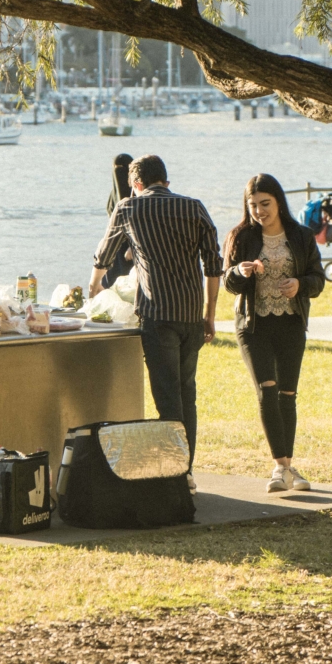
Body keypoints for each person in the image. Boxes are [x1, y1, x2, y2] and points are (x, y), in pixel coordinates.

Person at [91, 154, 224, 470]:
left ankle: (178, 473)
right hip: (191, 315)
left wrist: (94, 285)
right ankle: (186, 469)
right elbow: (214, 264)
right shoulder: (194, 207)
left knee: (167, 400)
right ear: (166, 180)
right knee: (185, 394)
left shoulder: (129, 208)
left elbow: (104, 253)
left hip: (157, 315)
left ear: (136, 184)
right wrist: (210, 314)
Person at [222, 174, 326, 493]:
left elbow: (317, 279)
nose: (259, 211)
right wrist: (240, 272)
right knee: (267, 389)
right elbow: (228, 282)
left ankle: (289, 466)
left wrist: (300, 285)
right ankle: (281, 468)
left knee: (288, 395)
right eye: (252, 205)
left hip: (290, 323)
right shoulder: (240, 236)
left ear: (279, 202)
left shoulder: (301, 235)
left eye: (264, 204)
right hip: (253, 325)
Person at [101, 153, 136, 285]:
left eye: (122, 169)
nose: (119, 173)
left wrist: (132, 245)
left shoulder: (138, 195)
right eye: (117, 169)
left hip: (133, 244)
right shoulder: (113, 195)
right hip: (116, 245)